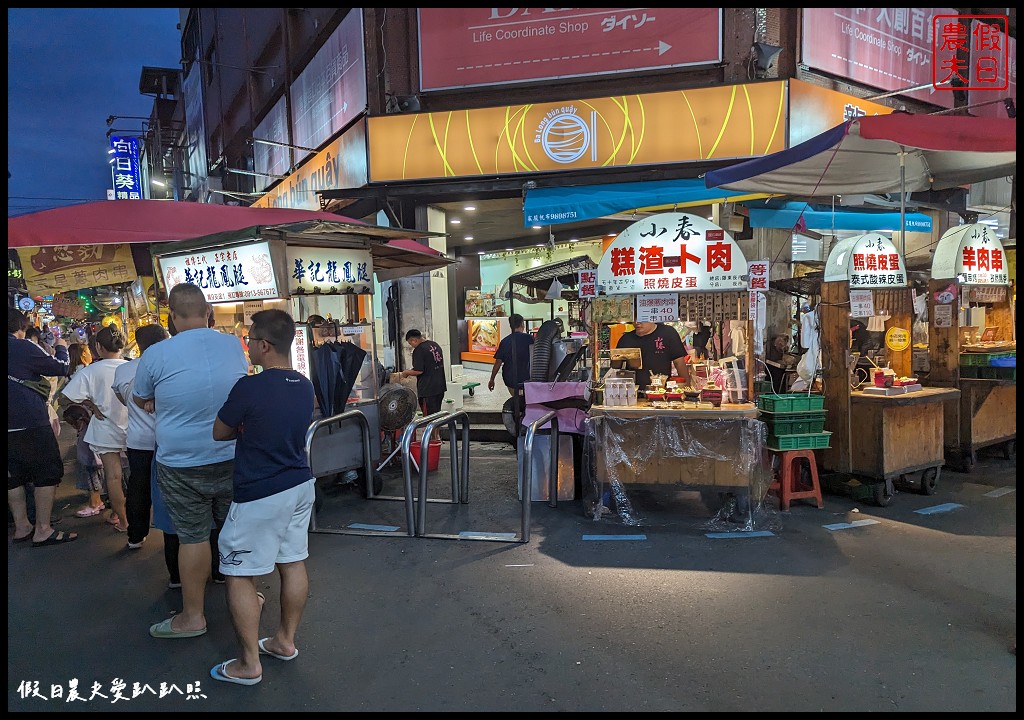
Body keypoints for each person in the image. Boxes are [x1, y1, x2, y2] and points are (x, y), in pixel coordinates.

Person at [134, 283, 248, 639]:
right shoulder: (232, 344)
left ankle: (193, 616)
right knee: (233, 530)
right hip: (231, 451)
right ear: (208, 312)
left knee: (192, 537)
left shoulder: (155, 354)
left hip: (180, 460)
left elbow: (140, 397)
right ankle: (245, 596)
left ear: (171, 316)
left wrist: (157, 401)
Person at [210, 309, 316, 685]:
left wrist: (244, 426)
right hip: (300, 485)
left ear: (264, 345)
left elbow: (219, 432)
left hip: (260, 491)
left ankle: (248, 664)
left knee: (238, 574)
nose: (248, 345)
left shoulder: (248, 387)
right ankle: (285, 641)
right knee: (293, 561)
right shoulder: (304, 385)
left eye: (250, 339)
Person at [8, 308, 77, 547]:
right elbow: (60, 367)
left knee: (13, 477)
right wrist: (61, 346)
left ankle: (21, 527)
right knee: (46, 474)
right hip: (30, 422)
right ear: (20, 327)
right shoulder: (21, 346)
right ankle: (43, 529)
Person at [60, 325, 130, 532]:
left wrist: (90, 404)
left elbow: (65, 399)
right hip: (135, 429)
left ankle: (123, 522)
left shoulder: (90, 371)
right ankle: (140, 519)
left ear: (98, 347)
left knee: (113, 478)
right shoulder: (132, 366)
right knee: (136, 477)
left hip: (106, 431)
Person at [112, 323, 169, 550]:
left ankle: (135, 535)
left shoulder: (123, 370)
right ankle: (175, 537)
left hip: (138, 440)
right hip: (168, 439)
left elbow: (123, 399)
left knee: (139, 487)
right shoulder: (170, 367)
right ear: (165, 340)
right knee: (173, 489)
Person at [614, 321, 689, 389]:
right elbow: (616, 367)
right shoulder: (626, 339)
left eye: (642, 318)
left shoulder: (668, 333)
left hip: (661, 391)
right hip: (632, 393)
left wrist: (687, 388)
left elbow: (679, 363)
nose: (637, 322)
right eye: (634, 319)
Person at [401, 329, 447, 416]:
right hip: (440, 387)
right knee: (437, 415)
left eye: (411, 344)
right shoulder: (435, 345)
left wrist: (406, 372)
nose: (412, 346)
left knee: (429, 417)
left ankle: (432, 430)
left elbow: (419, 371)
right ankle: (437, 430)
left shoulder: (419, 350)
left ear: (414, 340)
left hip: (428, 389)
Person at [487, 313, 533, 395]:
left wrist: (492, 379)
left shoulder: (505, 341)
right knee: (526, 401)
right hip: (527, 378)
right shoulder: (530, 339)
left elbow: (498, 362)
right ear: (522, 324)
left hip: (510, 379)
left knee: (516, 400)